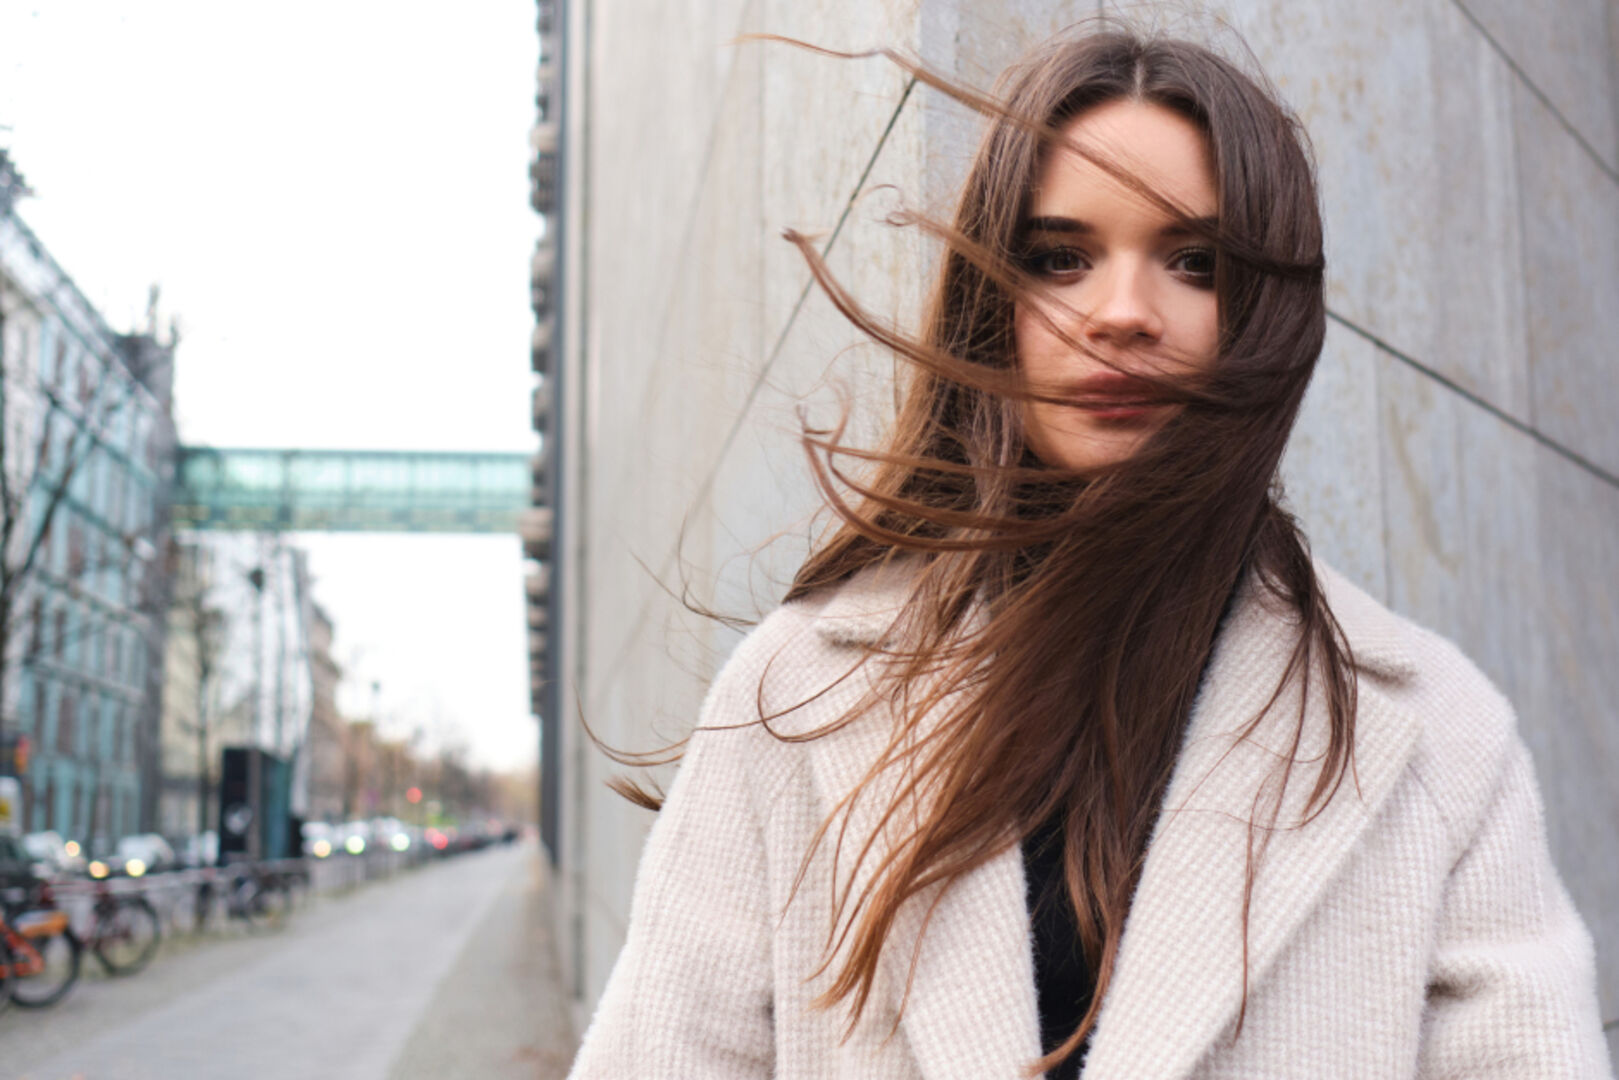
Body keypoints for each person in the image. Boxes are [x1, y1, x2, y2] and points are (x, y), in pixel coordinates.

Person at [567, 26, 1611, 1080]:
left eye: (1192, 262)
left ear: (1264, 309)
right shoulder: (799, 690)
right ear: (992, 301)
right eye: (1059, 257)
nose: (1120, 315)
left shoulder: (1439, 736)